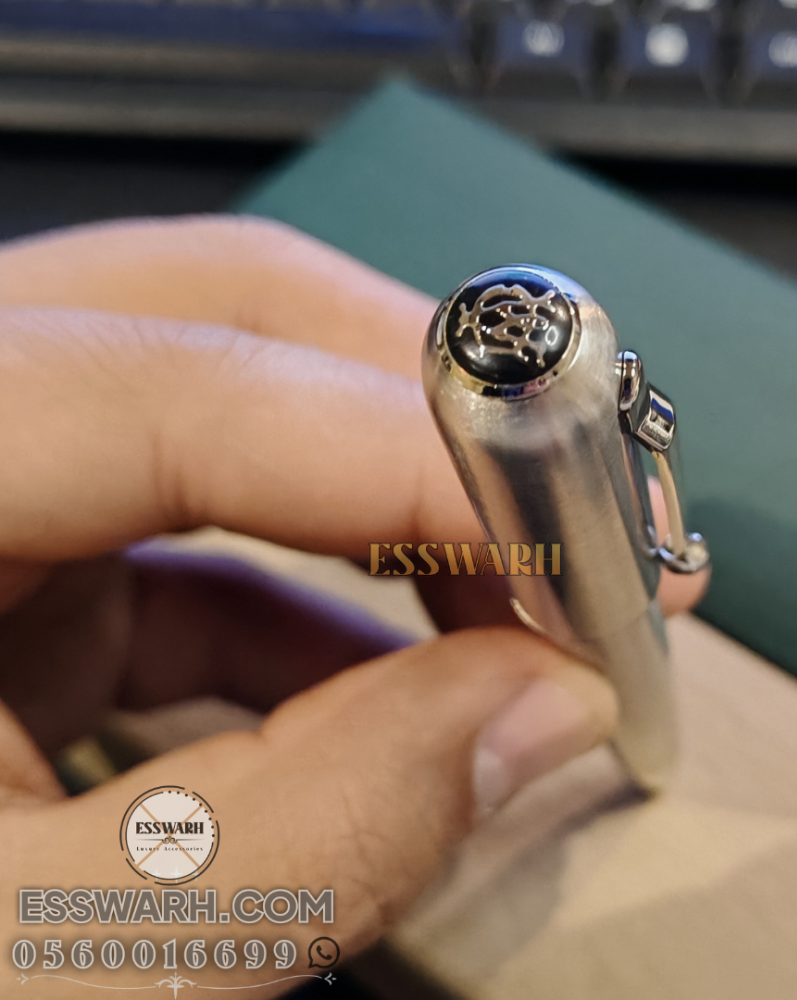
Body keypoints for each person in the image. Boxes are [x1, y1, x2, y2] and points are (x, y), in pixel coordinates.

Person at [0, 215, 706, 994]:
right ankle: (651, 759)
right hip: (584, 606)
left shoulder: (505, 392)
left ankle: (652, 761)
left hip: (607, 600)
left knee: (637, 708)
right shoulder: (535, 392)